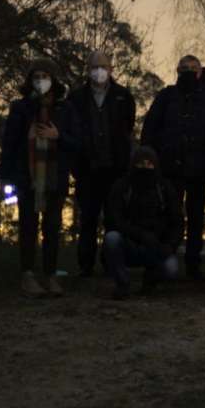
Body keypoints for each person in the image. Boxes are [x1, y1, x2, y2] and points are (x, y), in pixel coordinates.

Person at [140, 54, 205, 281]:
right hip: (168, 169)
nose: (189, 72)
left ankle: (193, 264)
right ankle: (163, 261)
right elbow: (149, 130)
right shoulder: (165, 97)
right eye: (185, 68)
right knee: (167, 216)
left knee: (196, 217)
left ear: (200, 71)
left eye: (193, 68)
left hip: (198, 170)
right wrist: (148, 162)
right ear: (177, 70)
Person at [0, 58, 78, 297]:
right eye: (36, 76)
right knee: (28, 227)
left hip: (55, 177)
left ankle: (51, 275)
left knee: (53, 227)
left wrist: (58, 135)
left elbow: (78, 143)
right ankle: (28, 275)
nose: (40, 81)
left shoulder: (65, 109)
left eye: (45, 76)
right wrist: (5, 176)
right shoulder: (21, 108)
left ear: (53, 80)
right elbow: (9, 144)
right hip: (27, 176)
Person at [69, 50, 137, 278]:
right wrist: (77, 166)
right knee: (87, 219)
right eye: (94, 66)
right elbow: (72, 132)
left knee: (113, 219)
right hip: (87, 171)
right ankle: (85, 266)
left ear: (111, 69)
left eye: (103, 66)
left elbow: (127, 130)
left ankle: (111, 264)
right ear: (88, 70)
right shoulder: (76, 98)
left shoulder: (123, 96)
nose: (99, 71)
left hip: (114, 170)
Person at [104, 145, 183, 299]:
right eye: (140, 163)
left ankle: (151, 282)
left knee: (171, 269)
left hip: (157, 246)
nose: (145, 167)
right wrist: (139, 235)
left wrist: (169, 245)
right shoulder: (122, 186)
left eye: (149, 164)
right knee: (111, 239)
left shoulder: (164, 188)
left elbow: (177, 222)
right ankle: (123, 284)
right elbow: (113, 219)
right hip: (130, 244)